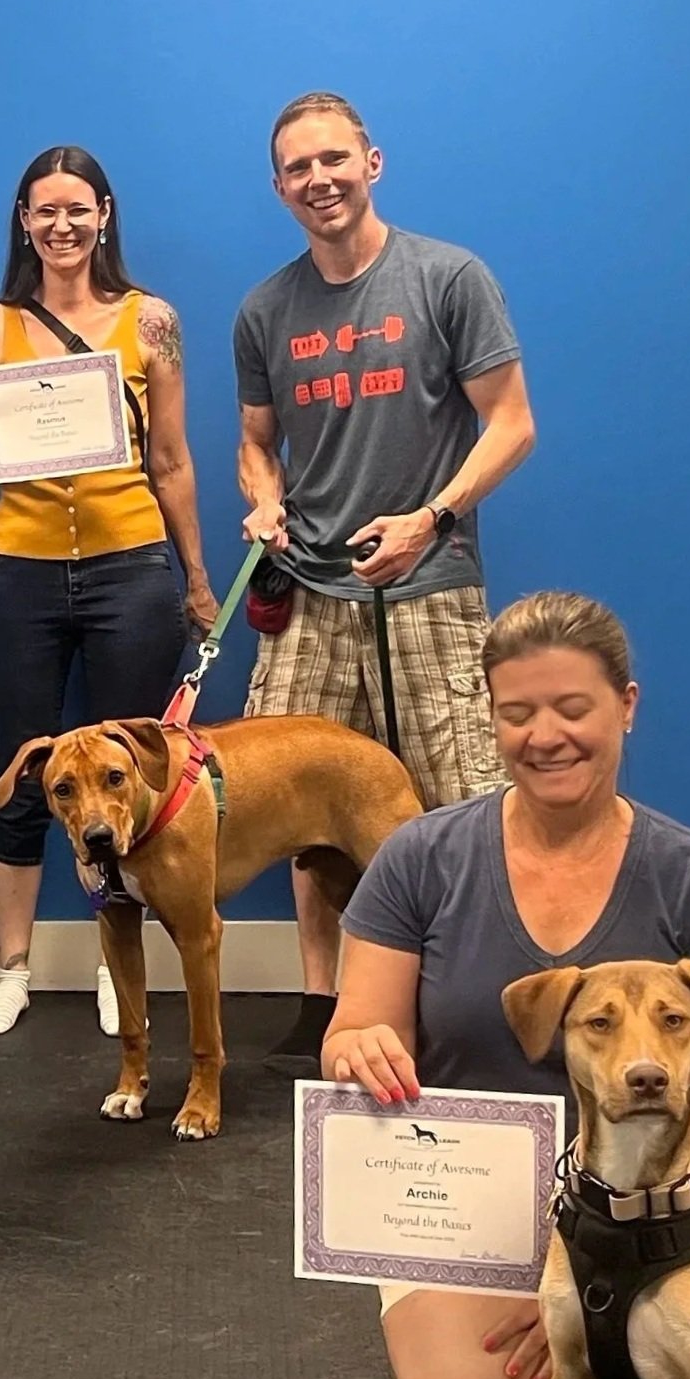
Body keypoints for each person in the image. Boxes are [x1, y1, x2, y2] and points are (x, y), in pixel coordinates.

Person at [322, 591, 690, 1379]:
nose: (546, 735)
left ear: (627, 707)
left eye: (573, 709)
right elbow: (352, 1029)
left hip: (642, 1210)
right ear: (490, 717)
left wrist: (611, 1261)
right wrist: (359, 1047)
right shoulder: (420, 858)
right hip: (462, 1213)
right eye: (517, 713)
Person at [234, 91, 538, 1075]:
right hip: (306, 592)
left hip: (430, 583)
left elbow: (511, 423)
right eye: (296, 168)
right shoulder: (263, 310)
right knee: (300, 810)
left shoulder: (447, 277)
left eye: (333, 159)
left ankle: (464, 997)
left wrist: (430, 517)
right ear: (278, 186)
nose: (317, 179)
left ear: (372, 162)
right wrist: (264, 501)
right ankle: (323, 1001)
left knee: (461, 802)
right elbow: (252, 443)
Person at [0, 144, 219, 1037]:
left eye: (77, 209)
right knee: (20, 770)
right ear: (22, 222)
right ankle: (13, 970)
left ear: (105, 214)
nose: (60, 226)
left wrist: (198, 577)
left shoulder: (154, 322)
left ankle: (119, 966)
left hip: (131, 566)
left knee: (128, 780)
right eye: (42, 211)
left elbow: (172, 459)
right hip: (19, 569)